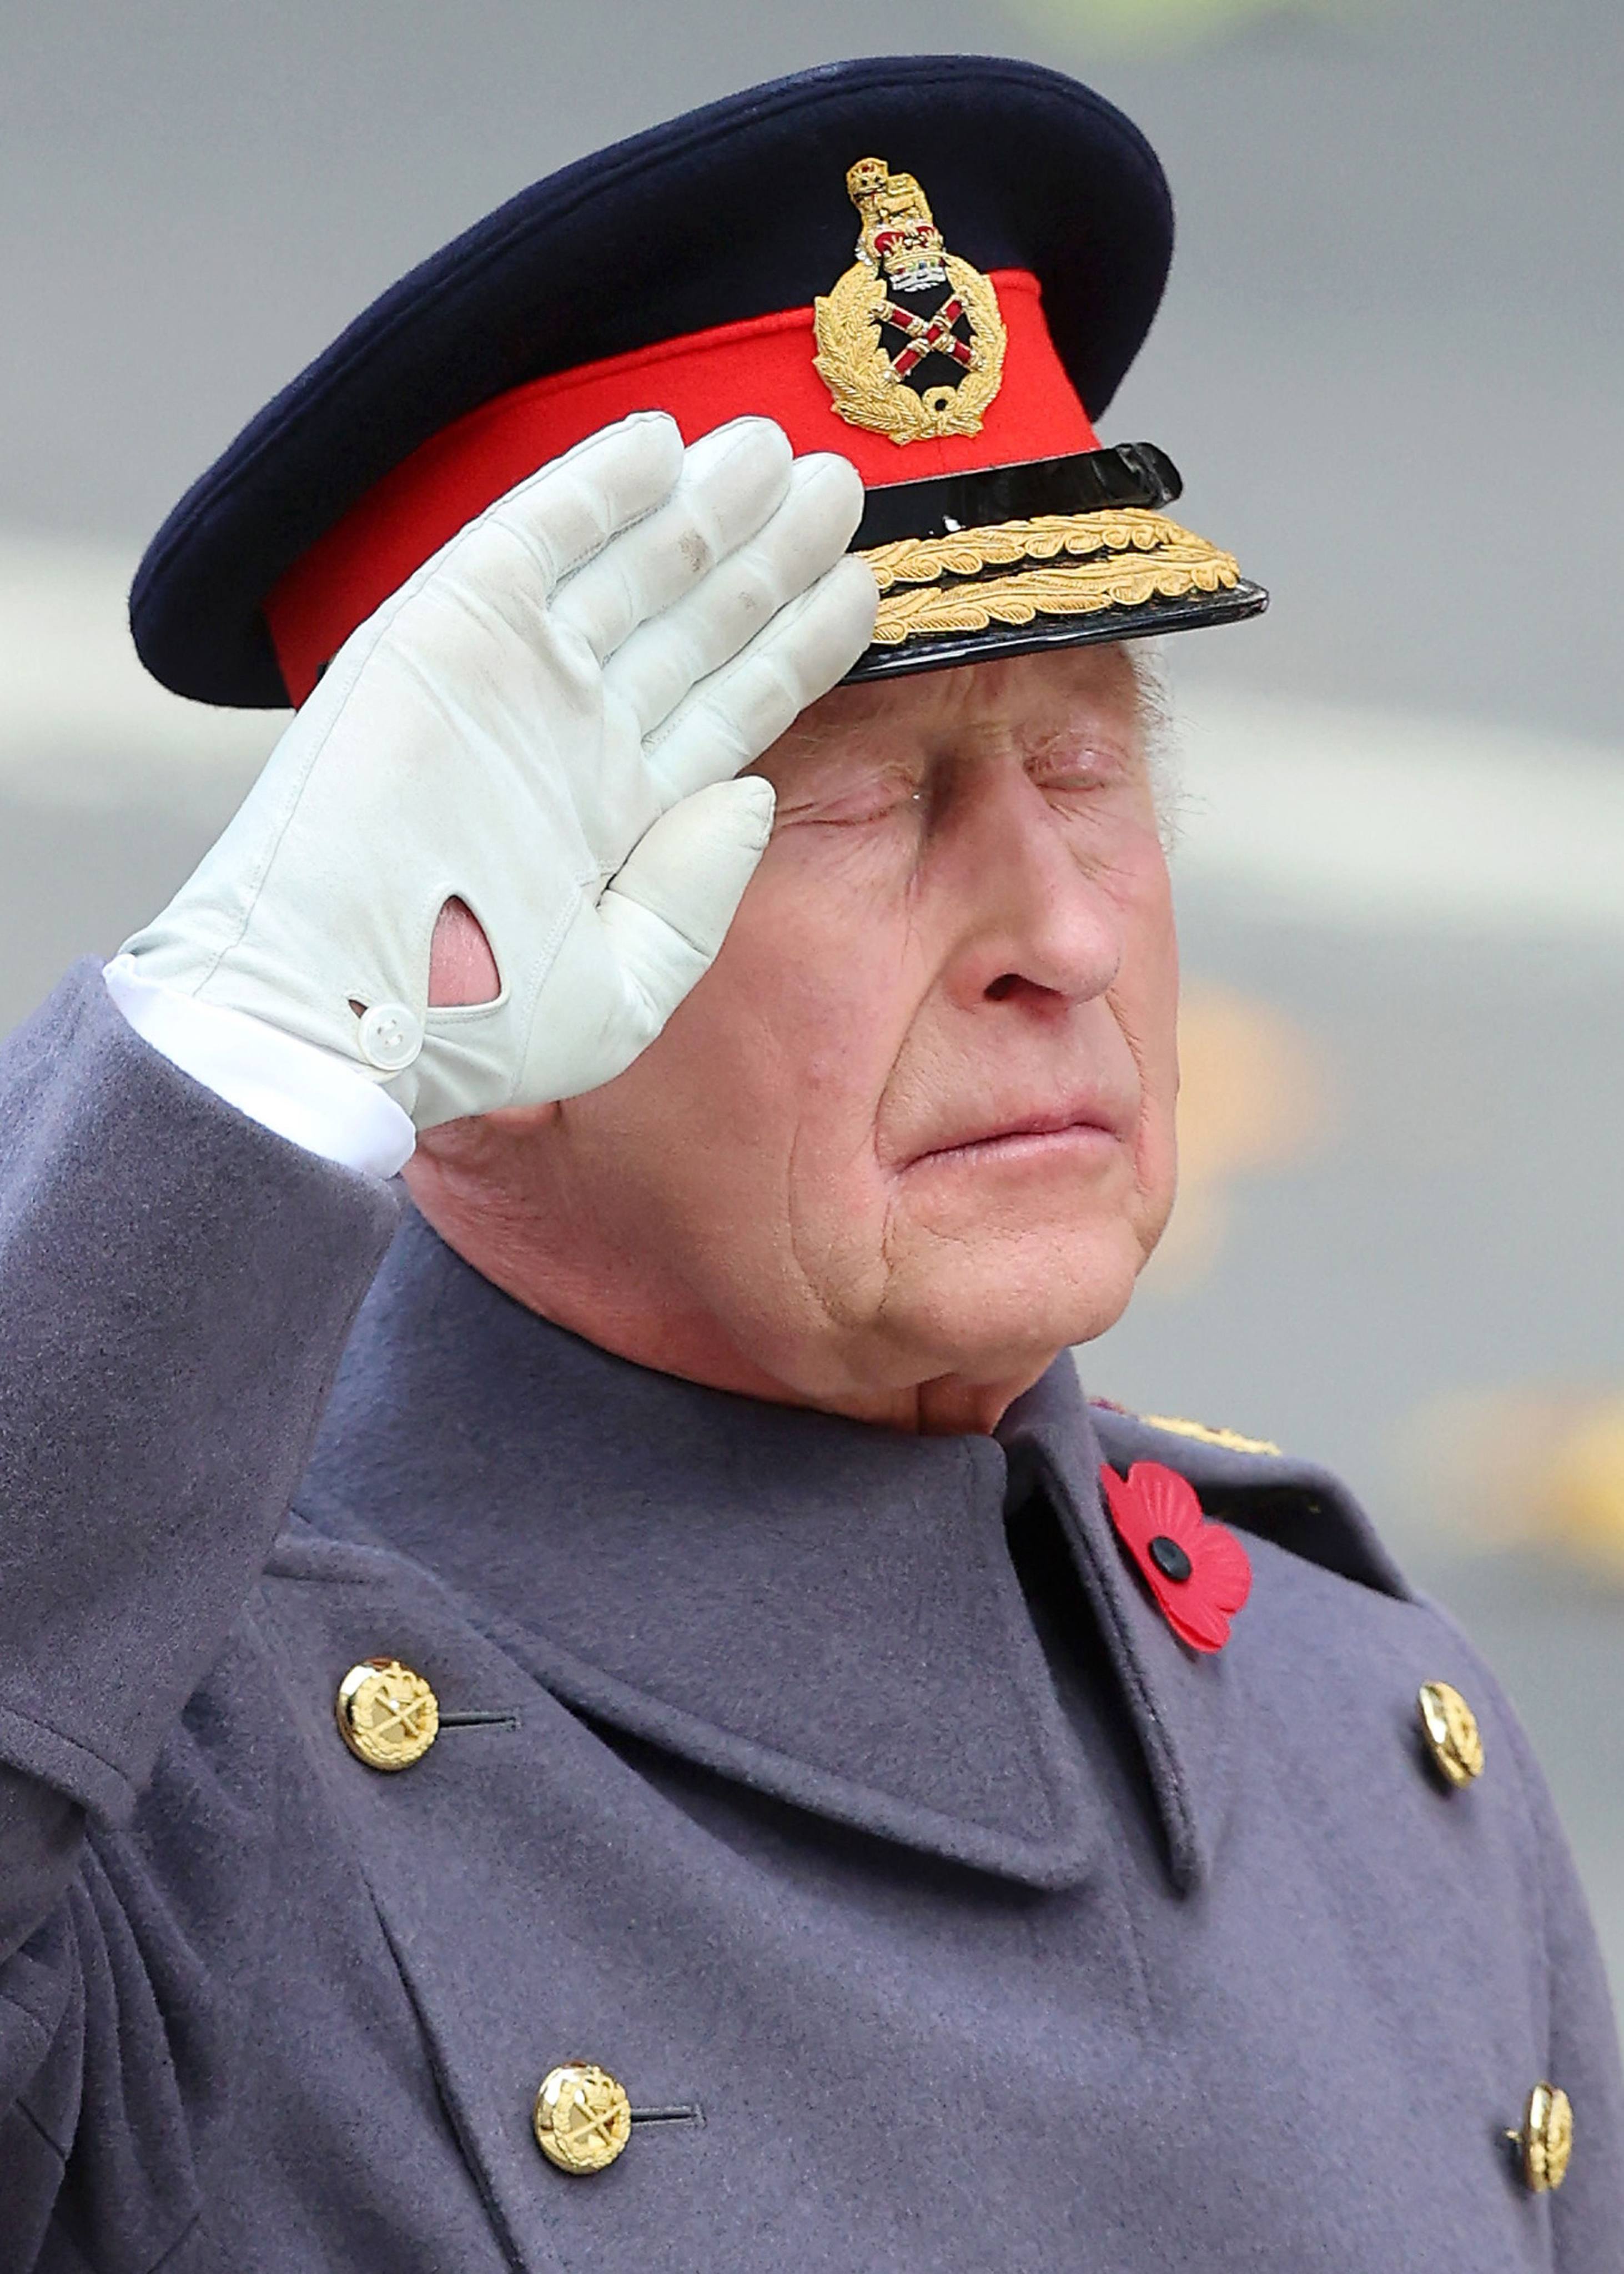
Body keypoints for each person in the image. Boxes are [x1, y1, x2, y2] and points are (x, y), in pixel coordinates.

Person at [1, 54, 1617, 2272]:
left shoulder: (1362, 1738)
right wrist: (255, 1040)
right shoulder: (164, 1785)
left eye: (1086, 759)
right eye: (872, 803)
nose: (1060, 935)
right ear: (485, 917)